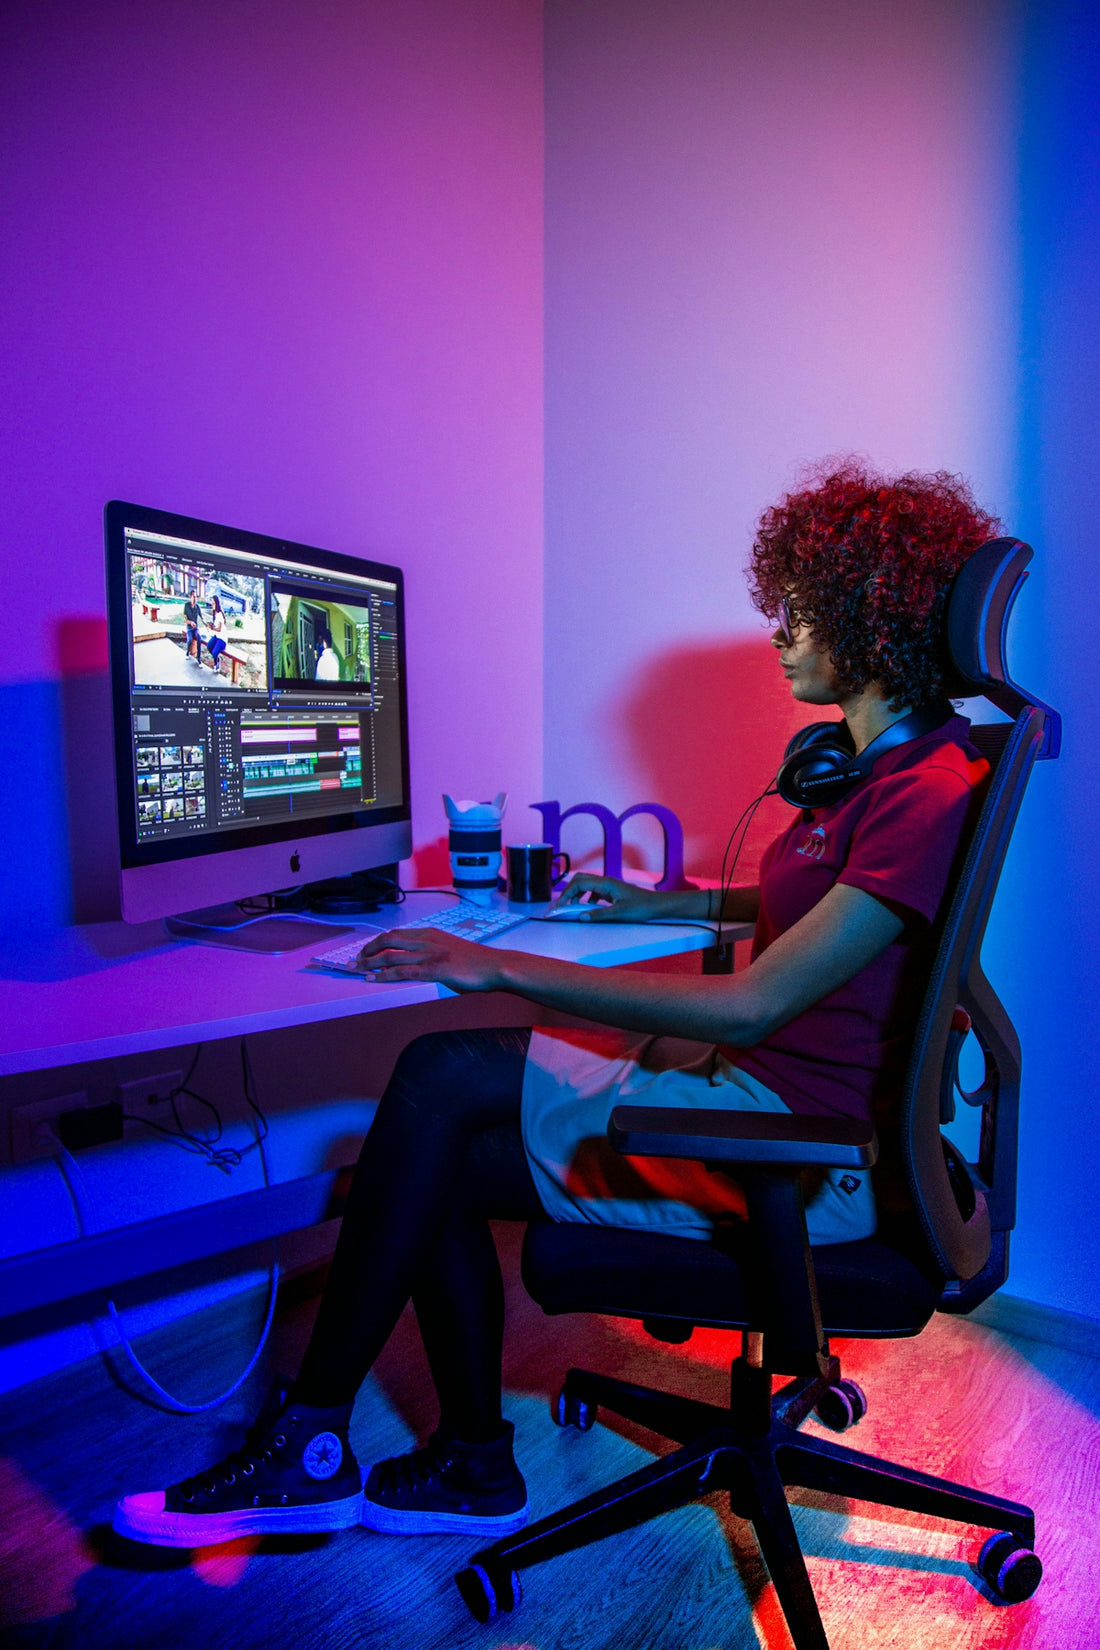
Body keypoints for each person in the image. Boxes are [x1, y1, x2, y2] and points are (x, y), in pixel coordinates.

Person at [113, 460, 997, 1550]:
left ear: (868, 618)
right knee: (425, 1151)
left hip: (798, 1156)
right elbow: (825, 912)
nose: (775, 632)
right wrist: (650, 897)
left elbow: (756, 1004)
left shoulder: (923, 791)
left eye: (797, 608)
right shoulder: (873, 778)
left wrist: (498, 965)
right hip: (766, 1116)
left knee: (440, 1074)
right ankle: (471, 1462)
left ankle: (308, 1447)